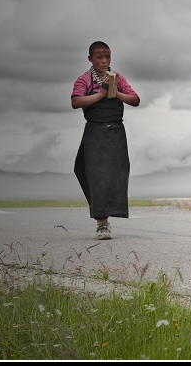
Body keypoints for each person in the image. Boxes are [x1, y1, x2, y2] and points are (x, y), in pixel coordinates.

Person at [71, 41, 140, 240]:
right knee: (94, 175)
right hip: (94, 131)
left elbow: (135, 99)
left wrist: (115, 92)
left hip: (116, 131)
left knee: (116, 175)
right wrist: (101, 94)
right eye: (99, 57)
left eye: (107, 57)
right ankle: (102, 222)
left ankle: (107, 217)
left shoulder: (118, 78)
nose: (104, 61)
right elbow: (76, 101)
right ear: (90, 59)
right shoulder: (84, 80)